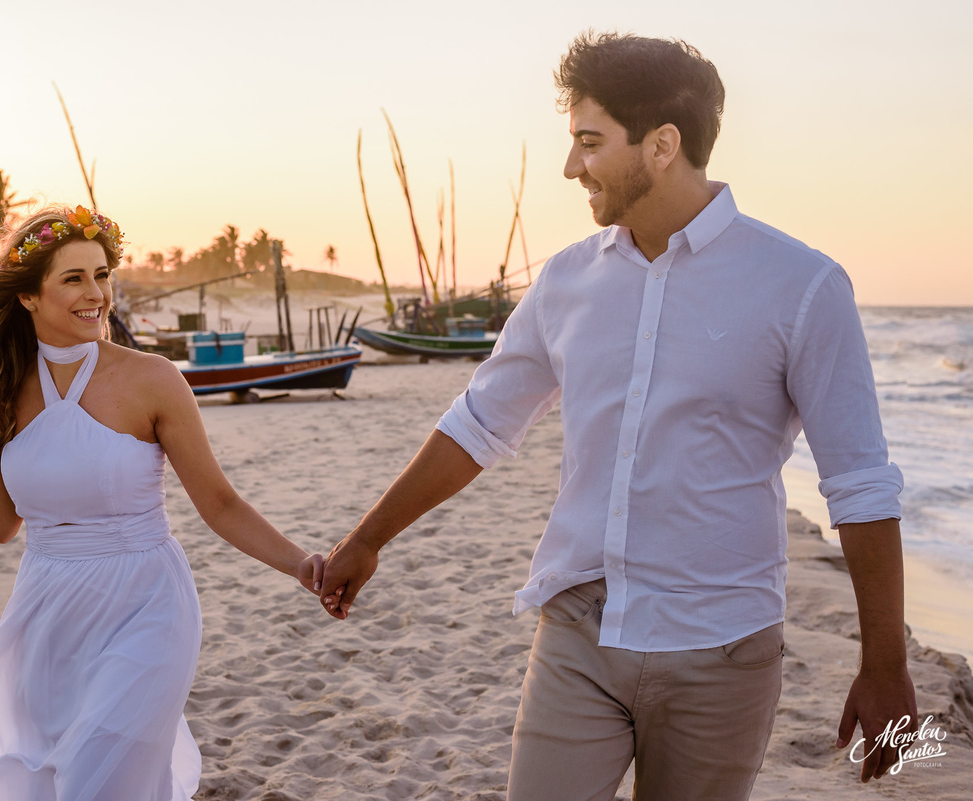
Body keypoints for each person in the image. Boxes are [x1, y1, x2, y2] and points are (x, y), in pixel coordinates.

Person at [319, 32, 917, 800]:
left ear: (662, 145)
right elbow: (479, 423)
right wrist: (367, 538)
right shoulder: (567, 282)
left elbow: (859, 483)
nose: (572, 167)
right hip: (578, 633)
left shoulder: (802, 286)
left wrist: (885, 664)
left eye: (590, 142)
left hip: (722, 649)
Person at [0, 204, 324, 801]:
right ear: (27, 296)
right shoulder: (1, 385)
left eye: (102, 275)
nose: (96, 294)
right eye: (73, 278)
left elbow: (219, 503)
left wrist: (300, 564)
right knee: (46, 780)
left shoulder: (154, 379)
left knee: (100, 780)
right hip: (46, 609)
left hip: (147, 602)